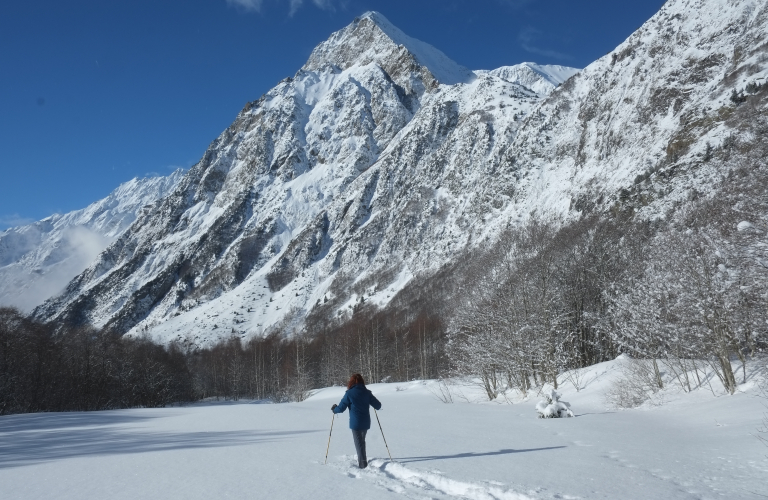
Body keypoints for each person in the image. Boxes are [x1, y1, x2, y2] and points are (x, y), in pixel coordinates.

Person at [331, 373, 382, 469]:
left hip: (355, 423)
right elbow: (378, 406)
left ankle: (363, 465)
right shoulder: (367, 392)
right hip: (366, 422)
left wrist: (334, 410)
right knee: (361, 442)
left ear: (351, 383)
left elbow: (341, 408)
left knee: (359, 443)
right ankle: (363, 461)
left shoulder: (349, 393)